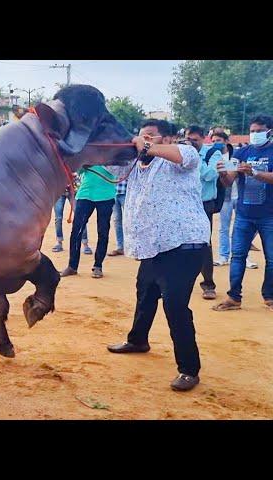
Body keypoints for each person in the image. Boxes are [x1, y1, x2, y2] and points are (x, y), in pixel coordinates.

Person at [107, 119, 210, 392]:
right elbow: (105, 160)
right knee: (145, 292)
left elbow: (181, 156)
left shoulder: (183, 153)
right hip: (154, 245)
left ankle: (189, 369)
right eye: (141, 136)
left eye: (151, 136)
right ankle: (138, 340)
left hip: (185, 244)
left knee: (175, 305)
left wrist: (148, 146)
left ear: (166, 139)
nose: (143, 141)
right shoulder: (137, 165)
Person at [213, 115, 273, 312]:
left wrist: (254, 173)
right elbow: (229, 181)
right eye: (253, 131)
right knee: (237, 255)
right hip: (244, 214)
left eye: (259, 130)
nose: (255, 134)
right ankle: (234, 297)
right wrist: (223, 172)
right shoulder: (241, 152)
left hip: (269, 215)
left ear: (269, 131)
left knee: (271, 258)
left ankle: (270, 296)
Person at [60, 165, 116, 279]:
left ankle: (98, 266)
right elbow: (77, 169)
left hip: (106, 195)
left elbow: (118, 170)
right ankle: (72, 266)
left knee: (103, 231)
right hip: (85, 194)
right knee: (76, 231)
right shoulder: (89, 149)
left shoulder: (111, 152)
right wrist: (83, 163)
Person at [187, 125, 222, 300]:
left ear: (203, 138)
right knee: (178, 243)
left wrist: (193, 158)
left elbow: (210, 175)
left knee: (204, 244)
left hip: (204, 204)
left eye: (195, 139)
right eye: (189, 139)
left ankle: (208, 284)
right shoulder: (181, 152)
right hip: (184, 204)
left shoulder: (212, 154)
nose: (191, 142)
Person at [51, 186, 91, 253]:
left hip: (74, 190)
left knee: (81, 217)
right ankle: (59, 242)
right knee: (58, 218)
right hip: (59, 191)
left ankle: (85, 243)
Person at [107, 179, 126, 256]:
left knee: (130, 221)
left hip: (127, 192)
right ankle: (120, 247)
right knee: (116, 220)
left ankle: (136, 248)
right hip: (113, 193)